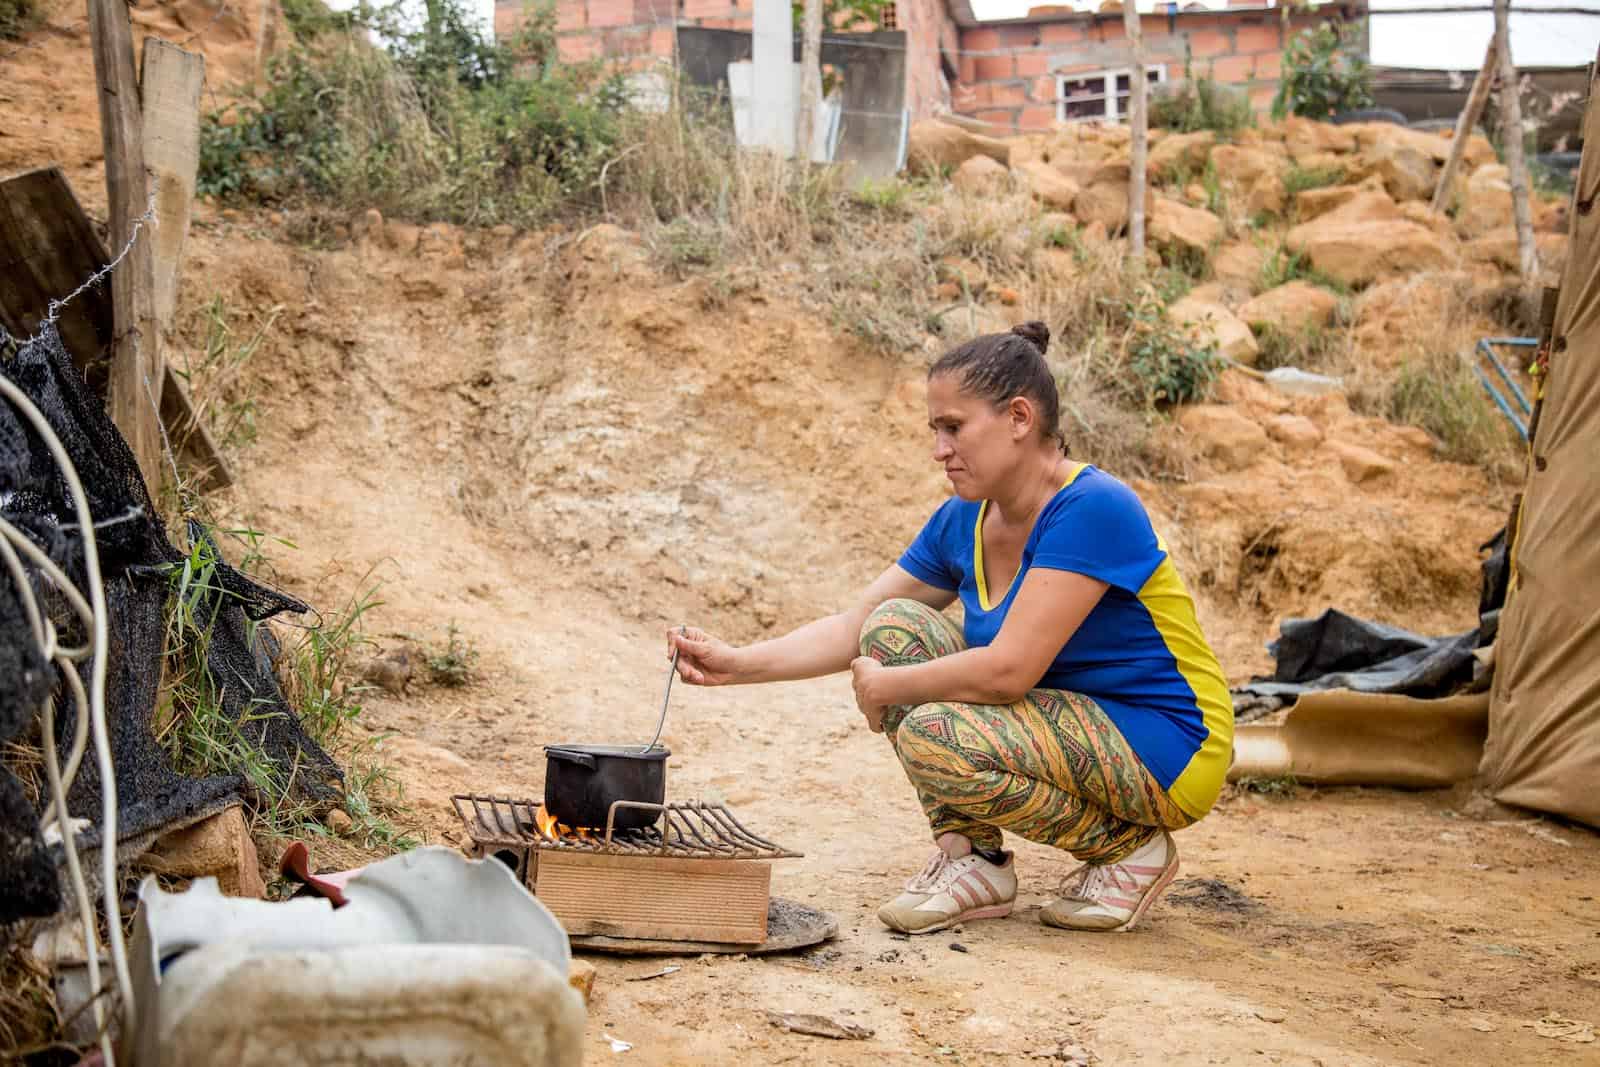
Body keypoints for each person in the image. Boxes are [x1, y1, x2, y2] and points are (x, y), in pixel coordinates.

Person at [666, 321, 1233, 935]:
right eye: (935, 430)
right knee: (894, 628)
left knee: (935, 729)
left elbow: (1007, 673)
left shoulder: (1093, 507)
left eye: (954, 428)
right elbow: (858, 625)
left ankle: (1126, 851)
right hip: (1065, 721)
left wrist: (890, 690)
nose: (939, 449)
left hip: (1169, 743)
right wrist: (737, 664)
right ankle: (975, 862)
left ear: (1019, 417)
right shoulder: (963, 518)